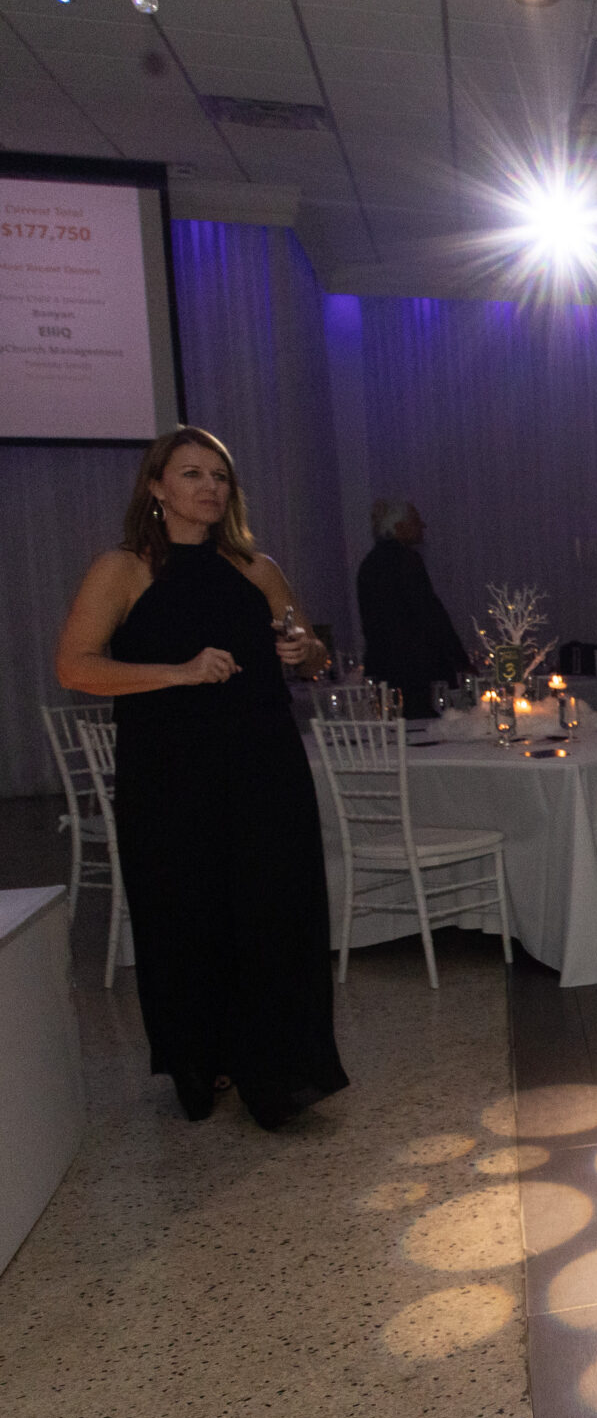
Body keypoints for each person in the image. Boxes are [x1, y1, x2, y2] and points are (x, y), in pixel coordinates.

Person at [53, 427, 349, 1129]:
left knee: (274, 911)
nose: (210, 487)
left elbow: (313, 657)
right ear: (157, 487)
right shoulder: (123, 569)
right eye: (192, 474)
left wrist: (306, 650)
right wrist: (178, 673)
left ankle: (278, 1072)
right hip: (171, 773)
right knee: (187, 915)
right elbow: (75, 666)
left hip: (263, 765)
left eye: (220, 476)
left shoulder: (256, 567)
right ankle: (202, 1058)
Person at [355, 498, 471, 718]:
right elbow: (429, 612)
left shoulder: (369, 563)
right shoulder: (406, 560)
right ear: (399, 527)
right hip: (416, 671)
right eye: (416, 521)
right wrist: (459, 659)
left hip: (383, 668)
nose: (423, 526)